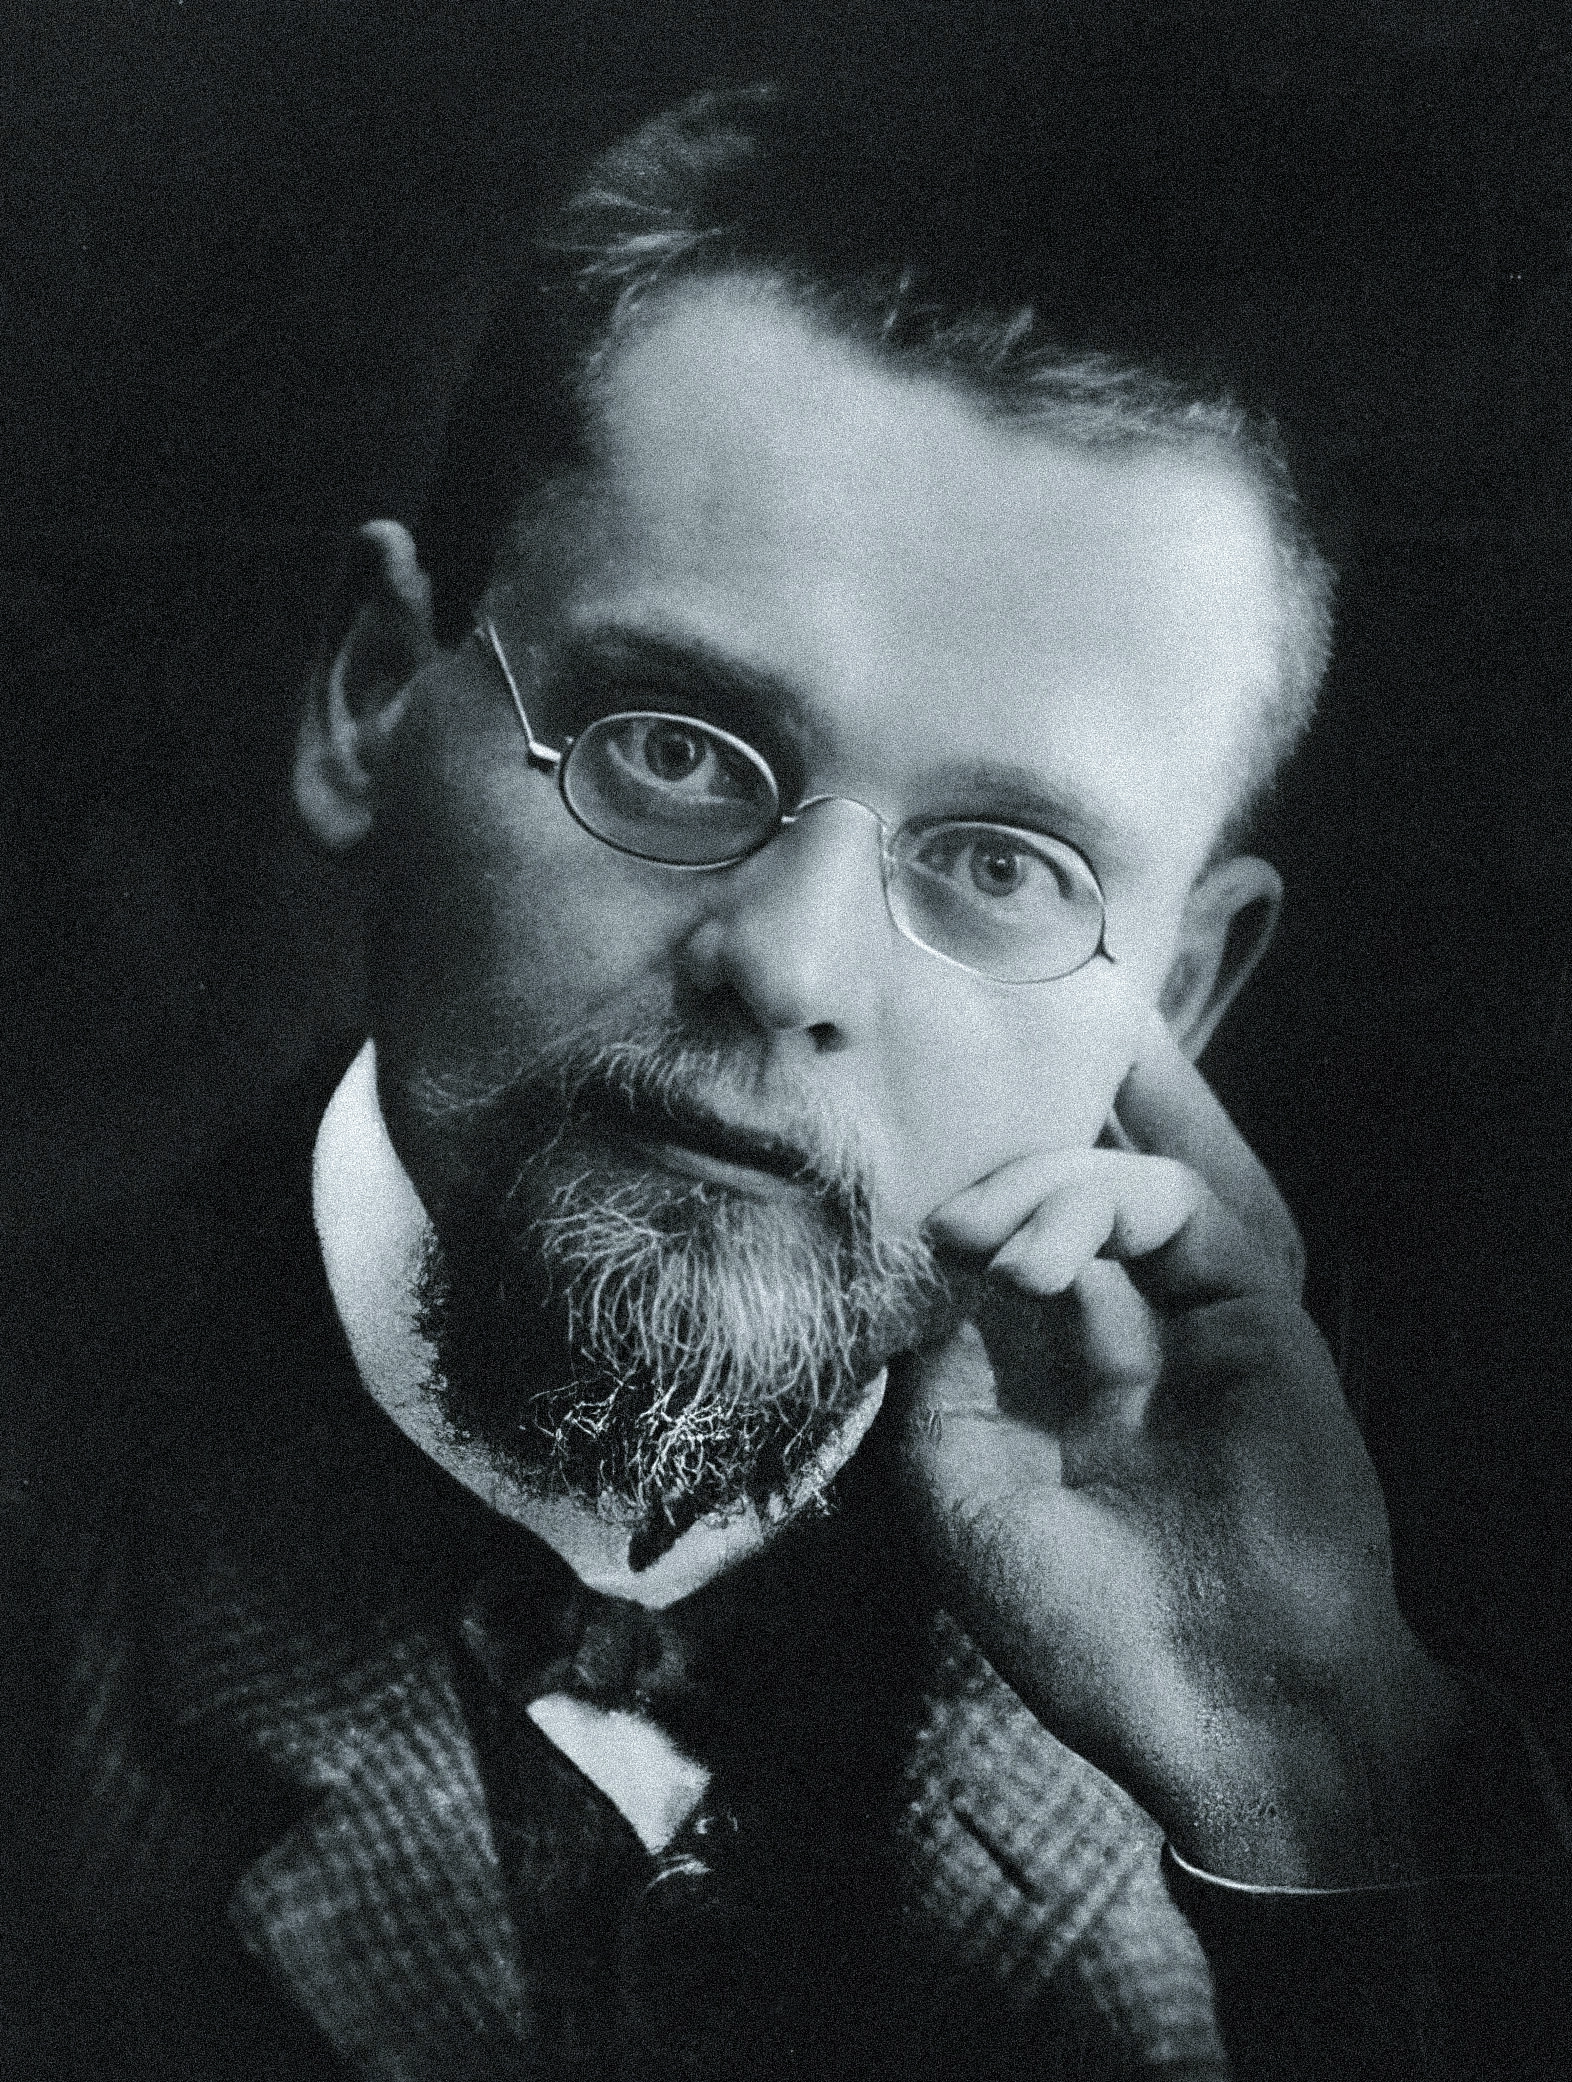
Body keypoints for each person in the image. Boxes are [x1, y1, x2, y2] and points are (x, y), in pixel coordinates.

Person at [3, 81, 1567, 2082]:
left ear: (1179, 991)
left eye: (1007, 868)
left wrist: (1300, 1794)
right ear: (371, 697)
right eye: (671, 744)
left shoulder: (1311, 1726)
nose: (794, 969)